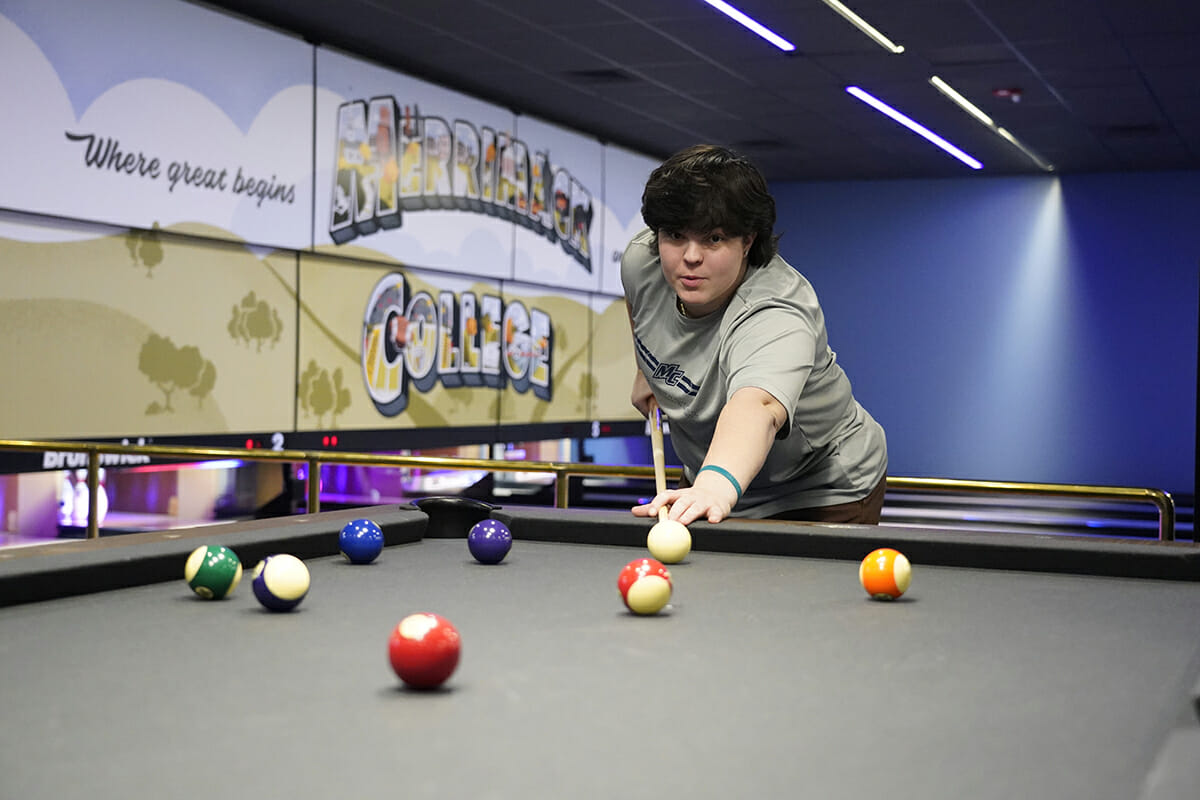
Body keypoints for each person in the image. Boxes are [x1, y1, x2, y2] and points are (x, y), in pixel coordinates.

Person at [621, 144, 887, 526]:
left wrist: (713, 486)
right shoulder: (641, 262)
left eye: (713, 239)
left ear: (747, 240)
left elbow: (757, 408)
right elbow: (639, 306)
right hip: (707, 478)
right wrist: (645, 370)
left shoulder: (776, 313)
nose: (690, 256)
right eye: (675, 234)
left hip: (817, 487)